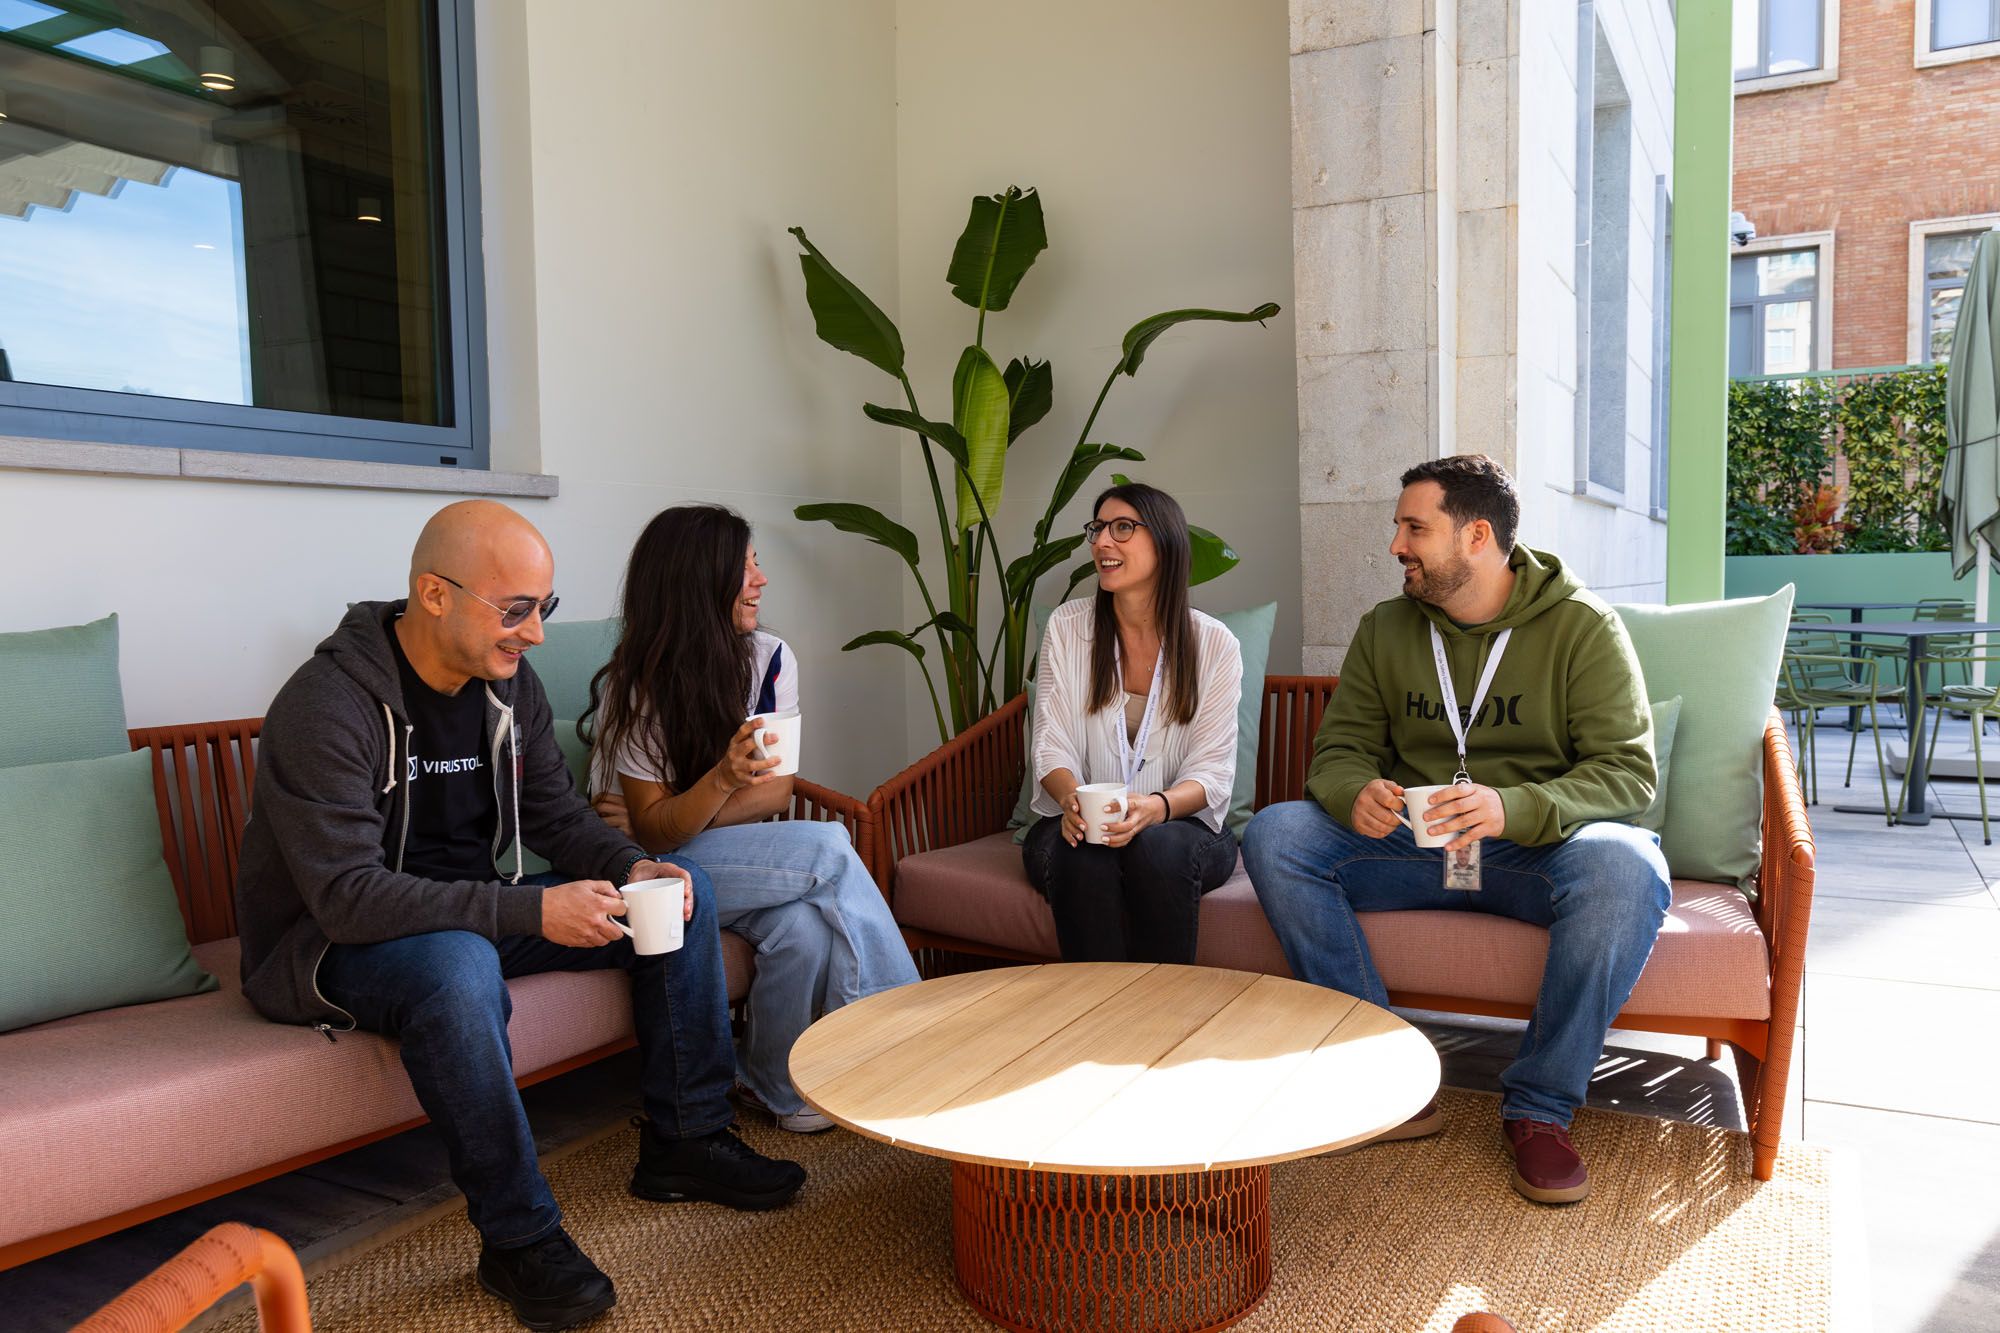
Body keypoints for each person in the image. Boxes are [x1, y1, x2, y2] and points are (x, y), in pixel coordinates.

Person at [234, 500, 804, 1332]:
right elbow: (347, 894)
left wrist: (633, 865)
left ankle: (689, 1138)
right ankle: (519, 1236)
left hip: (468, 913)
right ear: (434, 594)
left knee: (684, 892)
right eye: (516, 610)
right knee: (458, 961)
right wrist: (533, 908)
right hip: (335, 943)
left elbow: (558, 818)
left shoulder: (507, 685)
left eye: (545, 606)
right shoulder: (329, 705)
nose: (535, 633)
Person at [1241, 455, 1668, 1206]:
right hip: (1413, 844)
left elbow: (1626, 774)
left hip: (1531, 851)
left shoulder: (1582, 627)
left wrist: (1517, 807)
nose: (1396, 545)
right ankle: (1385, 1071)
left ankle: (1539, 1108)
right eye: (1398, 526)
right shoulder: (1386, 628)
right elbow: (1338, 752)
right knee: (1277, 835)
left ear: (1476, 535)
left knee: (1626, 866)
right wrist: (1354, 794)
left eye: (1415, 527)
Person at [585, 504, 919, 1133]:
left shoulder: (768, 659)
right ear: (699, 581)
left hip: (707, 852)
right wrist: (711, 786)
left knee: (802, 925)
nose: (761, 580)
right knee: (826, 847)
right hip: (643, 875)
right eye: (745, 568)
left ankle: (771, 1084)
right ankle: (903, 1029)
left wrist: (672, 811)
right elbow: (656, 838)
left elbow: (774, 795)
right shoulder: (637, 684)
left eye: (756, 562)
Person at [1023, 482, 1243, 963]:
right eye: (1098, 528)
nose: (1103, 542)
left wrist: (1157, 808)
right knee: (1086, 850)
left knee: (1158, 848)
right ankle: (1099, 1016)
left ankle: (1164, 1015)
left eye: (1123, 528)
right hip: (1078, 825)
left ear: (1164, 542)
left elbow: (1212, 773)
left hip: (1181, 827)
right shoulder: (1067, 627)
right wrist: (1071, 800)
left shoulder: (1215, 644)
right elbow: (1051, 746)